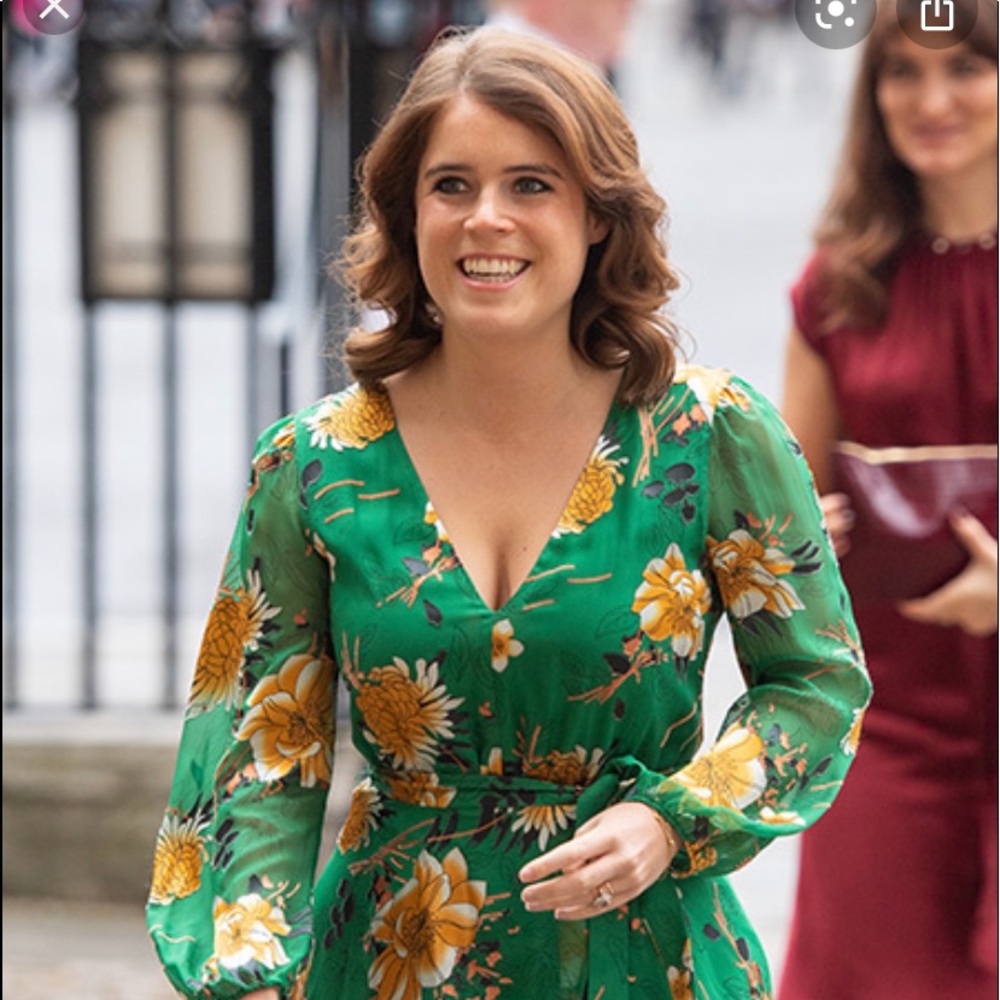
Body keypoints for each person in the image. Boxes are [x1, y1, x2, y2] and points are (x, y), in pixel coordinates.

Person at [146, 26, 870, 1000]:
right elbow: (252, 755)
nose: (487, 218)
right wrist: (250, 974)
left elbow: (814, 685)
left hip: (644, 959)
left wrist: (674, 816)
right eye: (452, 185)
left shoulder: (709, 435)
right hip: (389, 965)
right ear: (408, 213)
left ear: (597, 216)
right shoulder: (312, 464)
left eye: (531, 184)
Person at [777, 2, 998, 997]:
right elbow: (787, 513)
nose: (932, 99)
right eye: (901, 71)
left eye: (966, 68)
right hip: (889, 718)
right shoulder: (836, 286)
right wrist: (797, 538)